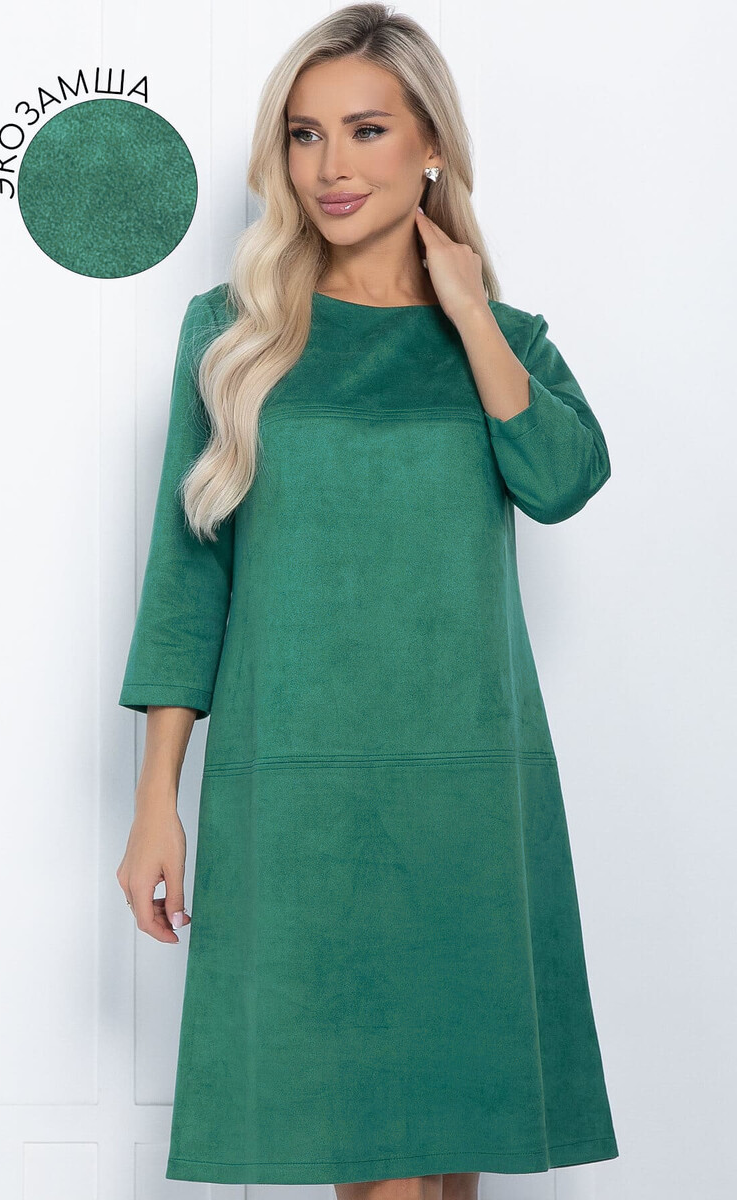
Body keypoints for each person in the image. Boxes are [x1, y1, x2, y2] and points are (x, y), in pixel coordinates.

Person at [116, 5, 619, 1198]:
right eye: (304, 135)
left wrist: (469, 312)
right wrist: (154, 801)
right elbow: (187, 579)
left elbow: (561, 480)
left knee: (449, 1161)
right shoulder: (234, 336)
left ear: (430, 144)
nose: (329, 166)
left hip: (466, 793)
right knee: (375, 1155)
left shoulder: (504, 341)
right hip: (300, 796)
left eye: (365, 129)